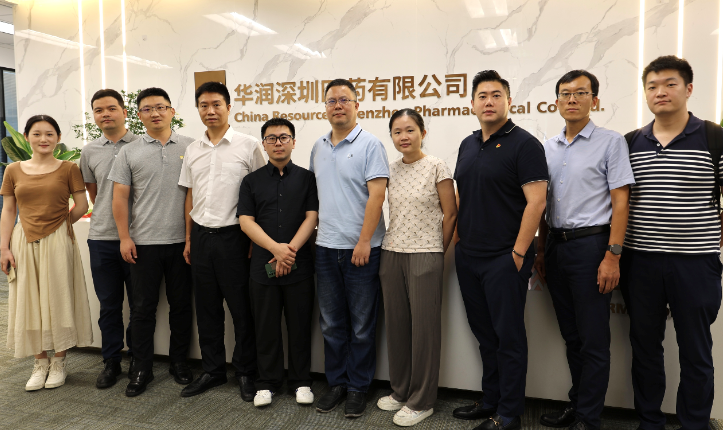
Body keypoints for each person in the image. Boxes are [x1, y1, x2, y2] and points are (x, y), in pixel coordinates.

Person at [620, 55, 723, 430]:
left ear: (688, 89)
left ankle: (694, 423)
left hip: (695, 263)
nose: (660, 92)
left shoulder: (714, 137)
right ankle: (650, 421)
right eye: (652, 86)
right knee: (645, 347)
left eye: (670, 84)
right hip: (640, 262)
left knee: (696, 350)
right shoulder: (630, 142)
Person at [534, 71, 634, 430]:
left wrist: (612, 255)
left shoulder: (611, 142)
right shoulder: (547, 147)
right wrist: (541, 250)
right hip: (555, 247)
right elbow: (542, 203)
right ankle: (578, 406)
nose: (572, 99)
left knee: (593, 339)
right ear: (556, 102)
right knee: (572, 336)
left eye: (580, 93)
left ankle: (589, 420)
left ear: (595, 100)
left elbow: (621, 203)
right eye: (565, 93)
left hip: (592, 247)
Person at [452, 70, 548, 430]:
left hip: (505, 258)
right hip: (469, 256)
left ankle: (508, 414)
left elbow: (537, 202)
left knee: (508, 339)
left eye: (496, 95)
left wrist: (519, 254)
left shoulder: (525, 144)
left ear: (509, 101)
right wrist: (458, 241)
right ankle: (490, 399)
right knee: (484, 335)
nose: (489, 101)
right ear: (472, 104)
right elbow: (463, 195)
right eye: (482, 96)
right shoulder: (467, 144)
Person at [177, 82, 264, 400]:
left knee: (242, 310)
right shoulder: (193, 149)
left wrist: (255, 240)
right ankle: (213, 371)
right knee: (207, 309)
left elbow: (260, 193)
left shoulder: (248, 145)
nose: (210, 111)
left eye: (216, 104)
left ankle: (245, 371)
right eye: (204, 105)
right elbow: (190, 194)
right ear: (198, 109)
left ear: (229, 107)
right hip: (201, 238)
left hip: (235, 238)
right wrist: (188, 237)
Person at [310, 78, 389, 418]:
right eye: (332, 101)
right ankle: (337, 383)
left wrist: (364, 241)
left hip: (363, 249)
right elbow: (315, 197)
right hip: (326, 247)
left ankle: (358, 387)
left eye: (344, 100)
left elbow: (377, 196)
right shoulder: (318, 147)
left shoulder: (371, 144)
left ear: (357, 105)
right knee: (331, 323)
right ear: (325, 108)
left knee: (361, 325)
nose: (338, 105)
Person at [108, 87, 195, 397]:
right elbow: (120, 198)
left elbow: (195, 194)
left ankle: (179, 362)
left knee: (181, 306)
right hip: (143, 244)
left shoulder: (191, 146)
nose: (155, 113)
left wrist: (190, 238)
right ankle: (141, 366)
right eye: (147, 109)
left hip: (181, 243)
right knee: (142, 309)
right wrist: (124, 237)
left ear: (172, 111)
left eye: (161, 107)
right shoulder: (128, 152)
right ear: (139, 115)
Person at [376, 108, 457, 427]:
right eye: (397, 132)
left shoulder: (436, 166)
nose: (403, 137)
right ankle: (400, 391)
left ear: (423, 133)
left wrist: (437, 251)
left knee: (424, 331)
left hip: (426, 253)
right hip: (391, 253)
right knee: (397, 328)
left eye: (410, 130)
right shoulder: (389, 170)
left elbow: (451, 214)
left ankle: (422, 401)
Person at [0, 115, 92, 391]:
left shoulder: (69, 168)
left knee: (58, 297)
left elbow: (82, 204)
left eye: (50, 134)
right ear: (26, 137)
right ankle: (40, 363)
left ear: (58, 138)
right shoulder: (13, 170)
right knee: (28, 299)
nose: (43, 139)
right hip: (23, 240)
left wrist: (60, 227)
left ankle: (59, 361)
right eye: (37, 134)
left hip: (58, 241)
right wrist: (4, 247)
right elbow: (9, 210)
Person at [238, 117, 318, 408]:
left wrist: (289, 251)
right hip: (263, 265)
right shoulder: (251, 181)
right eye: (271, 138)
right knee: (266, 327)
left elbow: (312, 216)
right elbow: (246, 221)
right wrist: (276, 249)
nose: (278, 143)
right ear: (264, 144)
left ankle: (301, 381)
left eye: (284, 137)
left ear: (294, 142)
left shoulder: (307, 178)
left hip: (300, 264)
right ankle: (267, 383)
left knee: (299, 326)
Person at [79, 89, 138, 389]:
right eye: (99, 110)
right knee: (109, 305)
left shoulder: (142, 145)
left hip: (139, 237)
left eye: (111, 108)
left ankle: (138, 359)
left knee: (140, 305)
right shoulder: (89, 151)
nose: (105, 114)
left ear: (124, 112)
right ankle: (111, 361)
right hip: (102, 237)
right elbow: (95, 194)